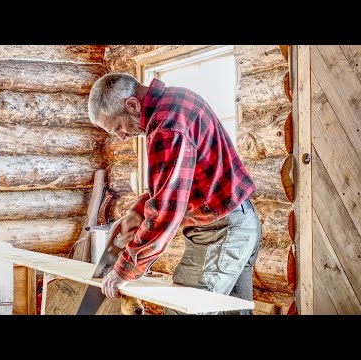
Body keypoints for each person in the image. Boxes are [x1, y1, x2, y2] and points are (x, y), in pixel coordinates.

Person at [87, 73, 262, 315]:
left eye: (118, 127)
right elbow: (172, 182)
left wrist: (125, 270)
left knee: (182, 310)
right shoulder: (176, 100)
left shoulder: (167, 125)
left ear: (132, 104)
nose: (121, 136)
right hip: (239, 221)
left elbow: (167, 211)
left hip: (220, 231)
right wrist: (136, 214)